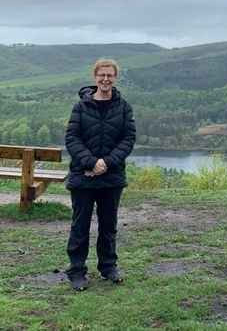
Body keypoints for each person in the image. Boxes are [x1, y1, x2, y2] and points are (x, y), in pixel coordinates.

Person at [64, 59, 136, 291]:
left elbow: (128, 139)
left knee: (108, 225)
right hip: (83, 176)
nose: (106, 79)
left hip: (111, 177)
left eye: (110, 75)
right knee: (80, 225)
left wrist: (107, 162)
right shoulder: (80, 107)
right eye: (102, 75)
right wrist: (92, 162)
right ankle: (76, 271)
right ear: (95, 77)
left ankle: (108, 267)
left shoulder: (123, 107)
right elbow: (72, 139)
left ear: (115, 78)